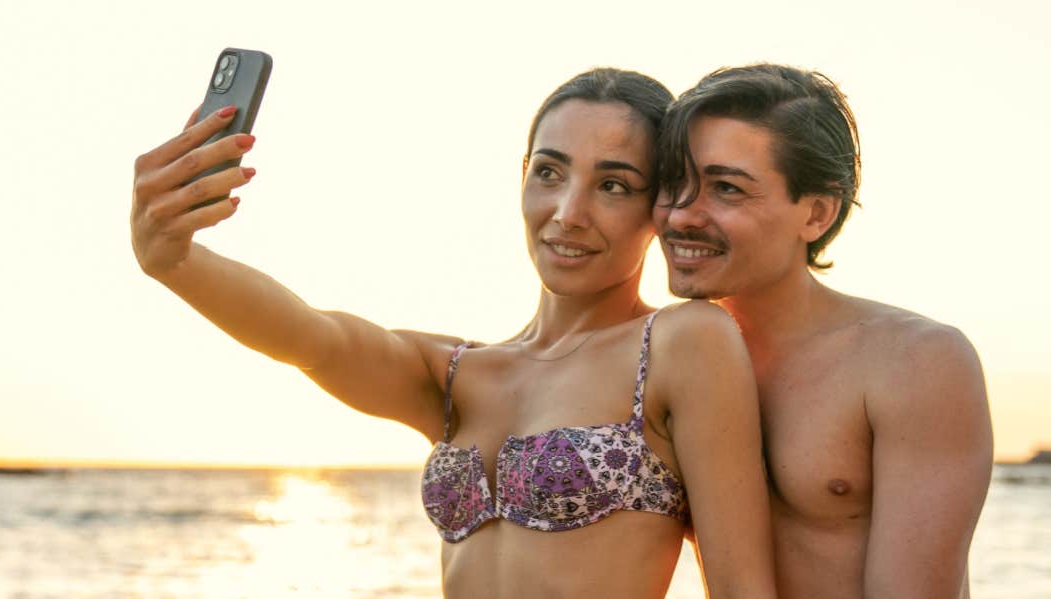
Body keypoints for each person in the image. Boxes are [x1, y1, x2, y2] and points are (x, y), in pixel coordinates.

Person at [130, 68, 777, 598]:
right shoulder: (453, 375)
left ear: (658, 205)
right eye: (549, 172)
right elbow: (311, 336)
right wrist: (171, 260)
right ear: (522, 174)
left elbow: (742, 586)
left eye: (612, 185)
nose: (568, 213)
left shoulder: (681, 342)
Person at [654, 64, 994, 599]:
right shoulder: (652, 360)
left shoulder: (914, 361)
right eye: (673, 183)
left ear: (815, 213)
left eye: (725, 188)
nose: (681, 214)